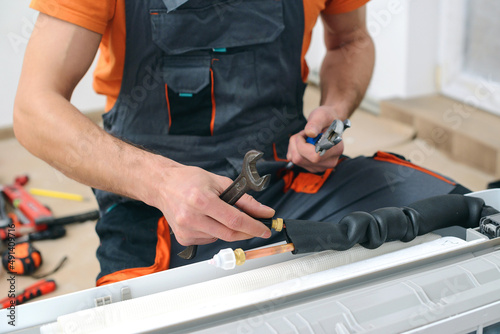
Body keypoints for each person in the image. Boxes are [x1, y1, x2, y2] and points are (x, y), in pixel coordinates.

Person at [13, 0, 469, 286]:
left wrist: (335, 112)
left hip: (292, 176)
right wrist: (163, 181)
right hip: (158, 212)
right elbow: (34, 109)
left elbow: (350, 40)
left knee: (467, 222)